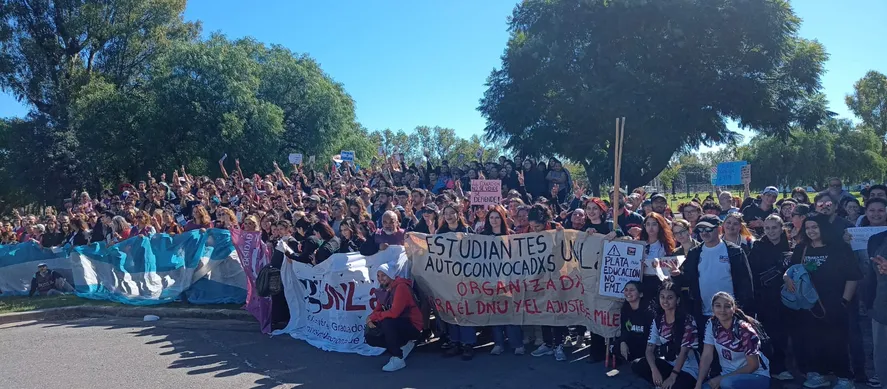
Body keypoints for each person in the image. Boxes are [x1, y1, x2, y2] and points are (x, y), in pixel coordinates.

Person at [784, 214, 860, 389]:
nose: (811, 231)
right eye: (808, 228)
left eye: (815, 227)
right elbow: (791, 270)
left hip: (834, 303)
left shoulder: (839, 248)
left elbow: (852, 277)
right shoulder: (802, 248)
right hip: (809, 304)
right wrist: (786, 277)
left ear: (823, 228)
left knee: (837, 341)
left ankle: (844, 377)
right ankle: (818, 374)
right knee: (812, 341)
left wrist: (844, 302)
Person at [670, 215, 755, 328]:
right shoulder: (694, 253)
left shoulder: (735, 251)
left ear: (719, 229)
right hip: (704, 313)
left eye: (708, 229)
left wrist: (742, 310)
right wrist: (677, 275)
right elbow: (688, 280)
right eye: (701, 229)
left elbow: (746, 284)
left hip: (731, 312)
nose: (704, 233)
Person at [747, 215, 793, 381]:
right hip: (767, 297)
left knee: (790, 332)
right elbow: (753, 273)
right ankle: (776, 367)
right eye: (767, 228)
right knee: (773, 333)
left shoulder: (789, 244)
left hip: (790, 294)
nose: (771, 231)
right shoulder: (758, 246)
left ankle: (794, 365)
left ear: (781, 228)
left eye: (775, 228)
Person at [694, 292, 771, 389]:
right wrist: (699, 383)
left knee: (727, 383)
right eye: (718, 306)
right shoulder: (711, 324)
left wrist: (722, 378)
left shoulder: (744, 329)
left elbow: (753, 365)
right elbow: (707, 356)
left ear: (733, 309)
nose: (722, 310)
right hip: (727, 375)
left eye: (727, 306)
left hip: (756, 375)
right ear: (713, 308)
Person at [631, 281, 699, 389]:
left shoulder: (688, 320)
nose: (665, 301)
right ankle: (661, 383)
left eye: (670, 297)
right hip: (669, 364)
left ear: (678, 300)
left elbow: (684, 352)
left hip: (688, 369)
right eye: (662, 297)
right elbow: (649, 349)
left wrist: (673, 377)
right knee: (638, 364)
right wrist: (654, 371)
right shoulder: (658, 320)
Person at [482, 205, 525, 356]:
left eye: (497, 217)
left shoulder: (511, 235)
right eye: (491, 217)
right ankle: (498, 343)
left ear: (502, 219)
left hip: (508, 279)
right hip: (489, 279)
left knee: (510, 311)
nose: (494, 220)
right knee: (494, 312)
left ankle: (517, 343)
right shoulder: (482, 236)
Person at [528, 204, 568, 361]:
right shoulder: (528, 232)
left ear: (545, 221)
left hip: (556, 276)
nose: (534, 230)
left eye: (537, 226)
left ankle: (559, 344)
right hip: (538, 277)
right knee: (543, 309)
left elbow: (565, 253)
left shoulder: (557, 229)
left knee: (556, 310)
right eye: (531, 226)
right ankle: (547, 343)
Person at [365, 263, 423, 372]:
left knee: (387, 322)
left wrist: (376, 316)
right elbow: (377, 309)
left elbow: (394, 313)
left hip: (413, 326)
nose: (380, 279)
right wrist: (370, 318)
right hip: (399, 323)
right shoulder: (383, 289)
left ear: (391, 275)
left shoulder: (401, 287)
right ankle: (403, 344)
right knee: (371, 334)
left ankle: (398, 357)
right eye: (378, 276)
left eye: (384, 275)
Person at [618, 281, 652, 364]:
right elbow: (624, 329)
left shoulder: (649, 311)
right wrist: (623, 342)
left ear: (640, 294)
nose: (628, 293)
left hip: (646, 344)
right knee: (615, 346)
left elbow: (651, 336)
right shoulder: (625, 309)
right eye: (626, 290)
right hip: (632, 341)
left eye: (632, 290)